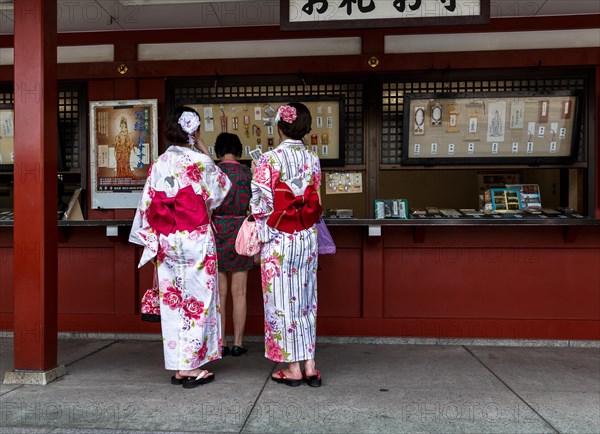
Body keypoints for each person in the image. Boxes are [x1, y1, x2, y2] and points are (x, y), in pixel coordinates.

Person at [129, 106, 231, 389]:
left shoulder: (159, 163)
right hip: (196, 237)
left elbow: (148, 207)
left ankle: (178, 365)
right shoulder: (200, 162)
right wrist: (201, 147)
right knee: (198, 300)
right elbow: (220, 189)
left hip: (168, 238)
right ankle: (193, 367)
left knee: (174, 302)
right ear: (194, 130)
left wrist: (151, 244)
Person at [250, 102, 323, 387]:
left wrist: (257, 173)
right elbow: (315, 194)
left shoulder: (269, 159)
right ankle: (310, 365)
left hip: (279, 237)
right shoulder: (313, 159)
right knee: (306, 300)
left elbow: (260, 204)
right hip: (306, 235)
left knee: (282, 301)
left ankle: (292, 368)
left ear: (280, 126)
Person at [212, 132, 254, 357]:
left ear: (218, 151)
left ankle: (222, 341)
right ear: (238, 151)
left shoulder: (213, 172)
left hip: (217, 231)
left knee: (220, 293)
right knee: (240, 292)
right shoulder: (248, 173)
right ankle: (238, 342)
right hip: (242, 232)